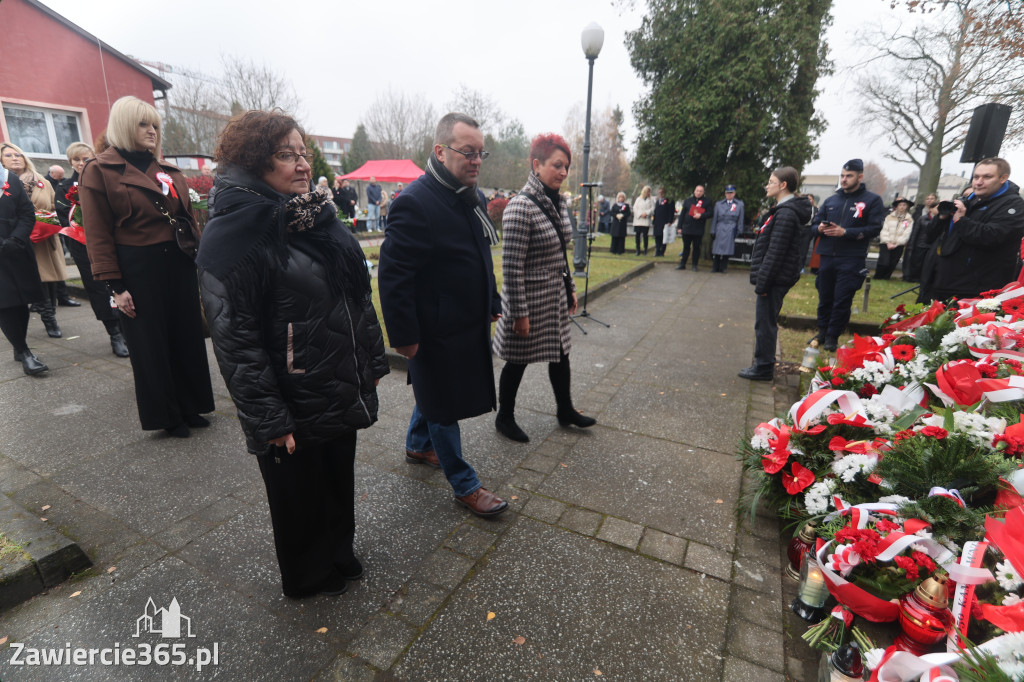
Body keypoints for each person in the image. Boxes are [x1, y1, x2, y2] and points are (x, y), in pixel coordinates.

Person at [198, 109, 388, 599]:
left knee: (335, 475)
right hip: (289, 388)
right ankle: (308, 573)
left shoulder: (312, 214)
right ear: (254, 161)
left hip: (334, 375)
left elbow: (354, 295)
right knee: (297, 492)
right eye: (287, 155)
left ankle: (338, 550)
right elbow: (234, 338)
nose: (302, 164)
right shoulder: (236, 231)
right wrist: (268, 416)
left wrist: (367, 359)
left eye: (303, 153)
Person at [378, 112, 508, 519]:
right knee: (442, 403)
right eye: (467, 152)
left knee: (435, 393)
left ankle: (418, 445)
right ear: (440, 151)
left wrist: (491, 299)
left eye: (480, 153)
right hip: (432, 328)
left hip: (463, 322)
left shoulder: (472, 196)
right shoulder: (415, 202)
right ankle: (464, 482)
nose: (476, 160)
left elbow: (480, 255)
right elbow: (394, 276)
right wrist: (404, 336)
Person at [79, 95, 215, 437]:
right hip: (137, 268)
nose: (152, 130)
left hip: (179, 262)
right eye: (143, 124)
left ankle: (191, 404)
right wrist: (114, 286)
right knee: (150, 343)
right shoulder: (99, 171)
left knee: (186, 335)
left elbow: (187, 219)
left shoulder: (166, 170)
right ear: (124, 125)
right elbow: (97, 233)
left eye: (155, 124)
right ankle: (167, 416)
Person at [492, 133, 596, 443]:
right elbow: (510, 268)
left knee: (561, 353)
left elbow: (559, 253)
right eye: (557, 165)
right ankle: (504, 417)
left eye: (566, 166)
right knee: (518, 358)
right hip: (530, 298)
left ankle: (565, 410)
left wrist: (571, 287)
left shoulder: (558, 200)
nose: (563, 173)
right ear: (536, 164)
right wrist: (518, 314)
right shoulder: (519, 207)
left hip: (554, 295)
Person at [54, 142, 129, 357]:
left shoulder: (103, 179)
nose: (81, 163)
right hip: (82, 246)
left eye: (85, 159)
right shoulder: (63, 187)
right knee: (97, 288)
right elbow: (63, 218)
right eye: (76, 160)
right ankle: (114, 333)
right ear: (70, 162)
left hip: (108, 243)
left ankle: (125, 328)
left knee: (117, 283)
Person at [739, 167, 812, 381]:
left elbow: (775, 252)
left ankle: (763, 368)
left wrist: (763, 284)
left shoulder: (787, 213)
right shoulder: (782, 210)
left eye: (771, 181)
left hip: (774, 279)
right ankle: (763, 364)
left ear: (783, 185)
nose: (767, 185)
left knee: (765, 324)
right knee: (764, 322)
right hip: (775, 277)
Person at [919, 158, 1024, 301]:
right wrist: (941, 218)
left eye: (987, 177)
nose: (979, 182)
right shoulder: (970, 200)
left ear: (1003, 178)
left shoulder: (1014, 205)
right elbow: (929, 236)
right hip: (944, 281)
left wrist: (960, 220)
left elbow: (991, 236)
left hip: (978, 289)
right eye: (976, 177)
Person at [809, 159, 884, 351]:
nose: (844, 179)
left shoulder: (872, 200)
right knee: (824, 296)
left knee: (842, 298)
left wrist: (846, 232)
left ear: (859, 177)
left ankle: (833, 335)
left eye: (849, 176)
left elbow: (875, 229)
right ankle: (822, 331)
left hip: (851, 257)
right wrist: (819, 228)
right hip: (827, 256)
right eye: (842, 175)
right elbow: (814, 225)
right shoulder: (832, 200)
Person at [1, 142, 67, 338]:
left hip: (43, 239)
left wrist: (46, 219)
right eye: (8, 155)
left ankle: (50, 319)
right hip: (14, 241)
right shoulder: (5, 182)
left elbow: (56, 207)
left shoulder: (42, 181)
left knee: (48, 281)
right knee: (24, 284)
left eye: (18, 154)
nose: (15, 158)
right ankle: (20, 331)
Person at [0, 158, 49, 375]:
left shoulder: (8, 178)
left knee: (21, 302)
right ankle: (24, 351)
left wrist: (17, 239)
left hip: (16, 249)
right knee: (5, 303)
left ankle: (19, 347)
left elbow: (26, 213)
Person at [874, 197, 915, 280]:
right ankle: (878, 276)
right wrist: (887, 242)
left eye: (904, 205)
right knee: (884, 262)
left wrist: (897, 243)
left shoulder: (909, 219)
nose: (902, 207)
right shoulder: (889, 217)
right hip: (886, 243)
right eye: (900, 205)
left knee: (893, 262)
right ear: (897, 206)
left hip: (898, 245)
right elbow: (884, 230)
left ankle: (886, 277)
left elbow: (907, 233)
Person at [709, 184, 745, 273]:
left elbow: (741, 218)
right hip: (720, 227)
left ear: (734, 193)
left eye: (731, 193)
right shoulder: (718, 204)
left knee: (727, 249)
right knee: (717, 249)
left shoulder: (739, 204)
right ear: (725, 194)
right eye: (727, 193)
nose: (729, 195)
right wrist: (713, 230)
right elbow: (715, 219)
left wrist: (740, 230)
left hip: (731, 228)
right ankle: (715, 267)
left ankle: (723, 267)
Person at [903, 195, 938, 282]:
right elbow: (915, 232)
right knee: (917, 263)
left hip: (931, 246)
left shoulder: (939, 220)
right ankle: (913, 278)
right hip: (920, 244)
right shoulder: (922, 218)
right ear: (931, 209)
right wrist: (911, 245)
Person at [677, 184, 710, 270]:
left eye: (700, 191)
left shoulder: (707, 202)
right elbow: (682, 214)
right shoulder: (688, 201)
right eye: (697, 191)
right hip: (687, 228)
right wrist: (679, 227)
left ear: (703, 192)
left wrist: (701, 215)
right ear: (694, 191)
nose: (698, 193)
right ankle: (682, 264)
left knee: (696, 248)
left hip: (698, 229)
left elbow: (710, 213)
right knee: (686, 247)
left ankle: (694, 265)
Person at [652, 187, 676, 256]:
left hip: (665, 222)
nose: (660, 194)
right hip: (657, 222)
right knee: (657, 237)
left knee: (664, 237)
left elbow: (671, 212)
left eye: (662, 192)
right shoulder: (657, 201)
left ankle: (662, 252)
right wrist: (654, 221)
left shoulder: (669, 201)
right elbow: (655, 212)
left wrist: (670, 221)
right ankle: (657, 251)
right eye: (659, 192)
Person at [632, 186, 654, 255]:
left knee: (645, 235)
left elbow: (652, 208)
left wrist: (646, 213)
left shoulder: (651, 200)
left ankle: (645, 249)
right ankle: (638, 249)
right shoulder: (638, 199)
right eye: (647, 191)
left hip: (645, 220)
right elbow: (635, 208)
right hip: (638, 220)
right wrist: (640, 214)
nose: (648, 193)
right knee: (637, 235)